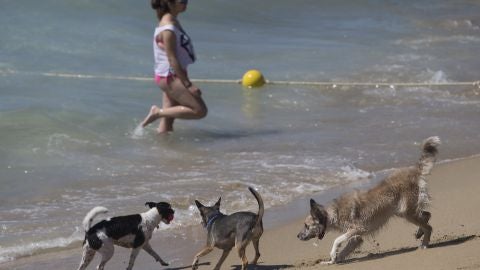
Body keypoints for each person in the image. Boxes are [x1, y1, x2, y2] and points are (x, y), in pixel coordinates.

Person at [141, 0, 207, 133]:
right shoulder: (168, 28)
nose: (186, 3)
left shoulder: (172, 21)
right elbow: (172, 58)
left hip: (170, 74)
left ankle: (164, 149)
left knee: (169, 118)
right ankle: (157, 112)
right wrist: (188, 85)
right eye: (182, 1)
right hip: (170, 76)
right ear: (169, 3)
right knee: (199, 111)